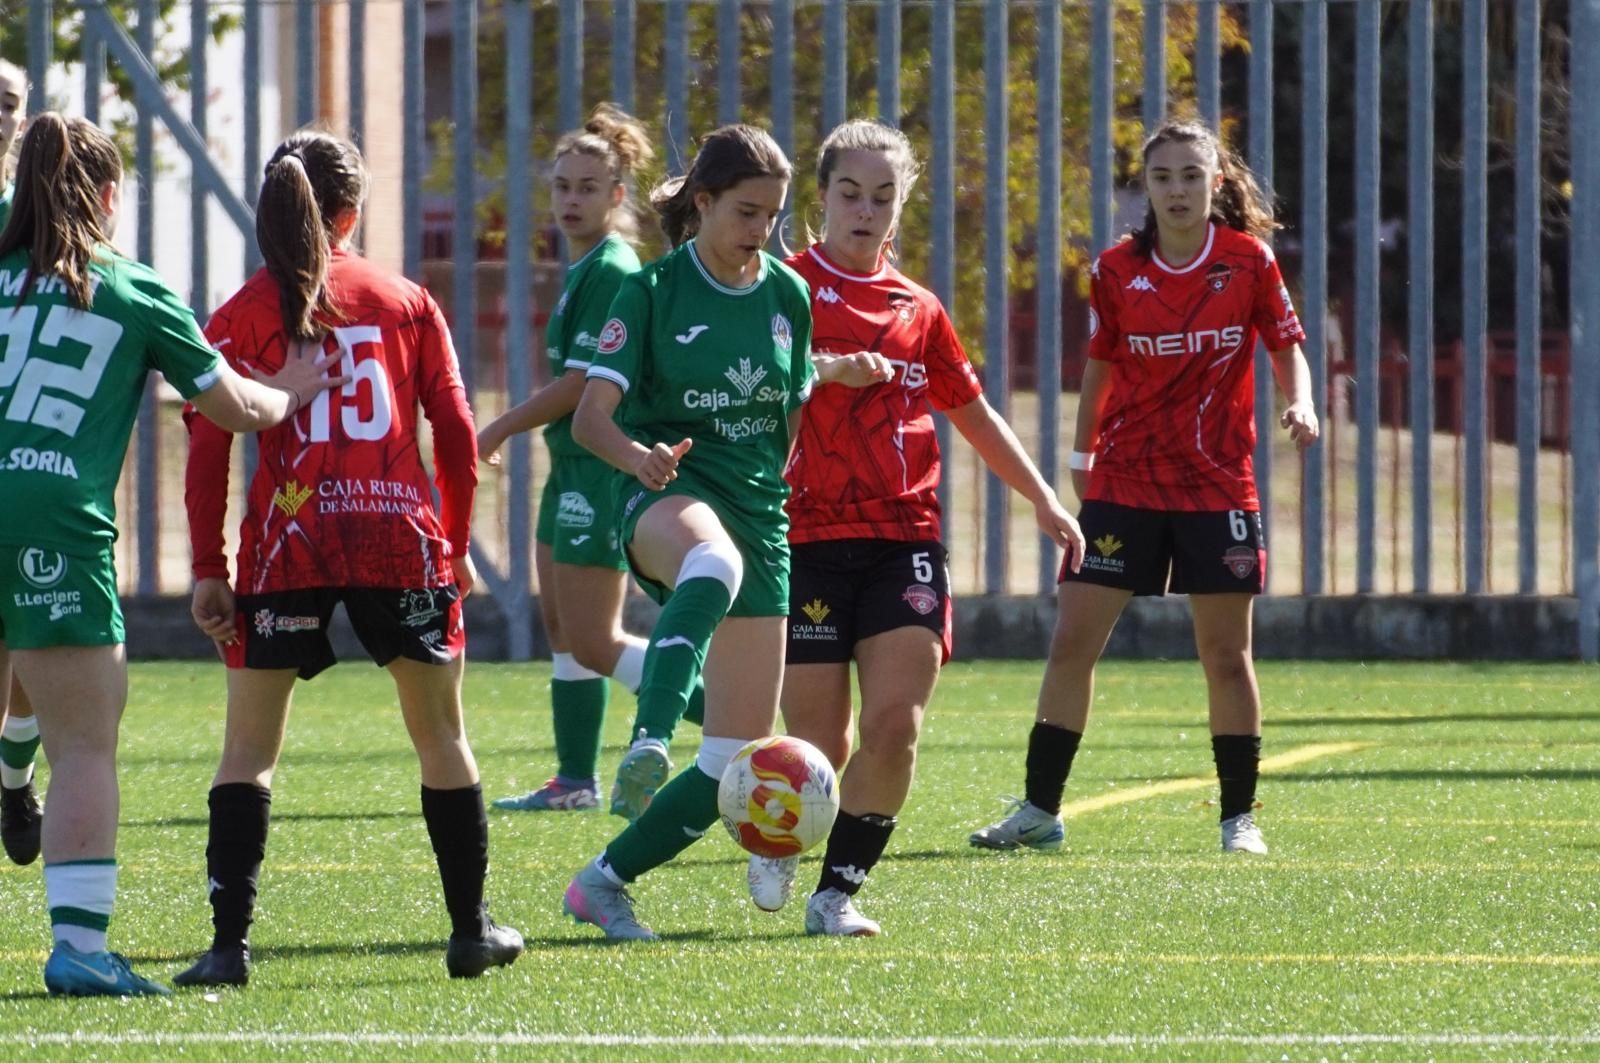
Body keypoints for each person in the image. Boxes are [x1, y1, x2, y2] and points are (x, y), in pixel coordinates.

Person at [0, 114, 340, 996]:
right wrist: (291, 389)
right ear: (109, 199)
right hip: (53, 526)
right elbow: (233, 408)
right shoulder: (130, 286)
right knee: (82, 743)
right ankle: (79, 948)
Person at [177, 130, 522, 986]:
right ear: (351, 213)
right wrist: (453, 541)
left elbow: (207, 447)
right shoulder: (402, 299)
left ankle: (228, 948)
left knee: (248, 750)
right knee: (440, 735)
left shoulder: (241, 313)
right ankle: (470, 930)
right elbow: (458, 431)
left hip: (288, 541)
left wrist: (210, 565)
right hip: (396, 535)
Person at [739, 119, 1085, 935]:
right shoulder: (781, 288)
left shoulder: (918, 308)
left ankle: (837, 893)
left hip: (903, 537)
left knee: (896, 724)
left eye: (883, 197)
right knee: (819, 735)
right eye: (851, 194)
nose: (866, 210)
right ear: (820, 199)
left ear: (902, 207)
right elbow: (741, 391)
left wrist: (1041, 496)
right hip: (804, 539)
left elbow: (972, 410)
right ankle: (783, 829)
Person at [968, 119, 1319, 857]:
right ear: (1146, 188)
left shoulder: (1248, 262)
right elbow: (1100, 363)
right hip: (1125, 481)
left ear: (1216, 183)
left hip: (1218, 485)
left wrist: (1302, 400)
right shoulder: (1117, 271)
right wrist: (1079, 450)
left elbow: (1286, 344)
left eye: (1192, 175)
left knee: (1227, 656)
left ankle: (1238, 819)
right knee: (1072, 644)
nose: (1178, 190)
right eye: (1163, 177)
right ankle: (1040, 808)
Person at [560, 124, 814, 940]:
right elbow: (591, 420)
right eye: (745, 211)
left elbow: (790, 423)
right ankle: (646, 737)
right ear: (701, 202)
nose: (760, 231)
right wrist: (643, 460)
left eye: (773, 216)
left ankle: (602, 882)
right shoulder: (650, 291)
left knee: (734, 756)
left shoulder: (788, 296)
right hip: (665, 490)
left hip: (759, 515)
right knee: (711, 559)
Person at [478, 105, 703, 815]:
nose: (570, 199)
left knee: (598, 639)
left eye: (587, 187)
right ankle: (574, 779)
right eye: (561, 186)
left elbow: (582, 385)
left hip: (599, 471)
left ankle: (736, 718)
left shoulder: (610, 269)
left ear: (616, 195)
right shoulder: (582, 269)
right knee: (563, 629)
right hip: (568, 468)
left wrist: (498, 428)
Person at [0, 58, 44, 869]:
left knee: (36, 663)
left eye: (7, 104)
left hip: (36, 454)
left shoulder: (34, 218)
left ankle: (13, 778)